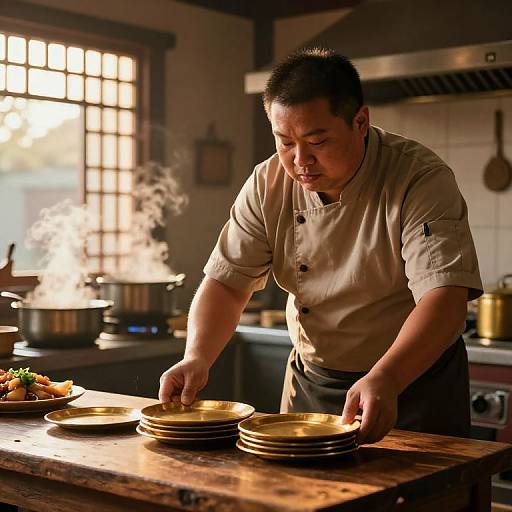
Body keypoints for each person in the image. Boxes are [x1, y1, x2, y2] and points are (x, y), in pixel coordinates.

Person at [159, 48, 483, 445]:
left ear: (360, 121)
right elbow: (227, 283)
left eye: (317, 140)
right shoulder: (267, 184)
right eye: (284, 142)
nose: (299, 160)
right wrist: (197, 356)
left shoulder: (418, 178)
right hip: (312, 384)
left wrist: (388, 376)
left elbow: (444, 296)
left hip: (411, 383)